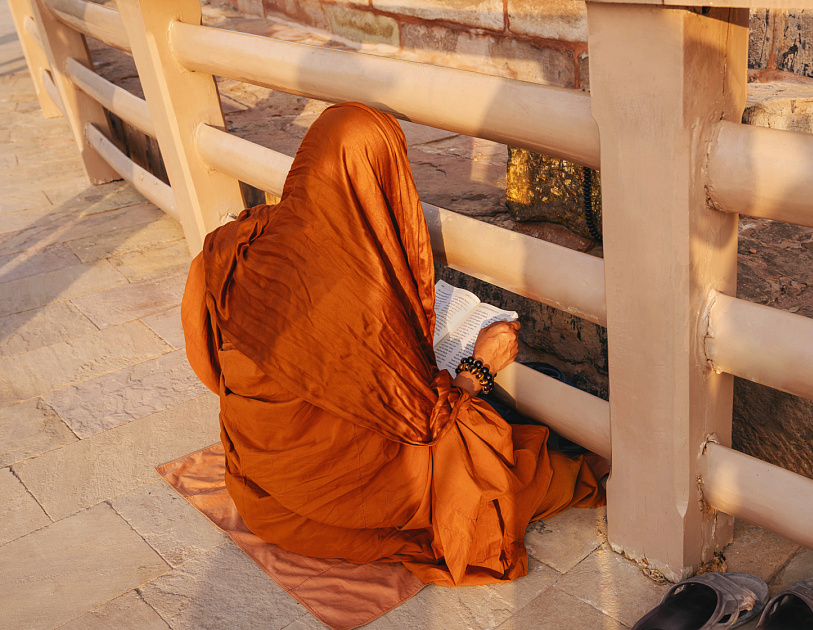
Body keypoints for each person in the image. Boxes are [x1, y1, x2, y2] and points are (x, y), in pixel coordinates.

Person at [182, 102, 607, 586]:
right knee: (493, 464)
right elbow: (424, 424)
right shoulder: (354, 294)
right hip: (333, 495)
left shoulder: (236, 243)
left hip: (264, 488)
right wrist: (479, 368)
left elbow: (207, 362)